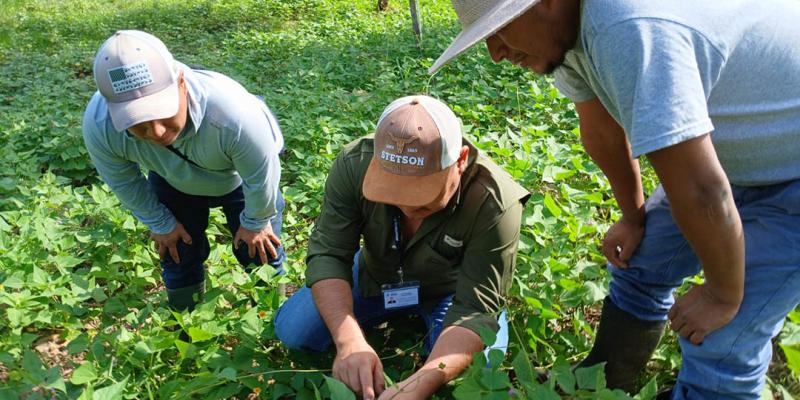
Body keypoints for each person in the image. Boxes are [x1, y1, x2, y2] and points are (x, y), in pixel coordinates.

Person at [429, 0, 800, 398]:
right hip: (730, 164)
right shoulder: (566, 35)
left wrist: (721, 294)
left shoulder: (627, 27)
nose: (496, 53)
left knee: (725, 337)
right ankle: (602, 383)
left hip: (789, 179)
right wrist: (633, 217)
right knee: (638, 261)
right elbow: (602, 133)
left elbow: (702, 190)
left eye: (500, 29)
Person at [274, 95, 529, 399]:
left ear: (460, 160)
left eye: (423, 197)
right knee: (294, 330)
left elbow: (475, 308)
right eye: (393, 192)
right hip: (376, 273)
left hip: (451, 290)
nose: (407, 208)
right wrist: (348, 341)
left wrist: (422, 382)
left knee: (483, 368)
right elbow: (329, 254)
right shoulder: (355, 164)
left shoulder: (494, 201)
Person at [82, 30, 285, 312]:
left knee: (260, 250)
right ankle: (186, 325)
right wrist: (160, 222)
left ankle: (272, 321)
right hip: (172, 178)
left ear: (180, 82)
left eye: (161, 113)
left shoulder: (234, 114)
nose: (156, 132)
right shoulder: (100, 124)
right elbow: (122, 180)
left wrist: (255, 221)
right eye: (138, 123)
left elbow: (261, 174)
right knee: (177, 252)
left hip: (240, 178)